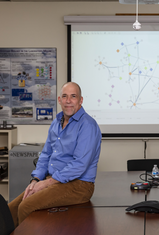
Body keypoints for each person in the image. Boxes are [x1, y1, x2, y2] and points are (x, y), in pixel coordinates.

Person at [8, 82, 102, 227]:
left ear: (80, 100)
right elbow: (45, 154)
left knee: (25, 206)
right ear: (59, 100)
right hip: (54, 180)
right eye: (65, 96)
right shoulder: (56, 123)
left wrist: (47, 183)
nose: (68, 101)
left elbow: (79, 165)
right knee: (10, 210)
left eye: (73, 96)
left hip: (80, 185)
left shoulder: (88, 125)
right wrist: (35, 181)